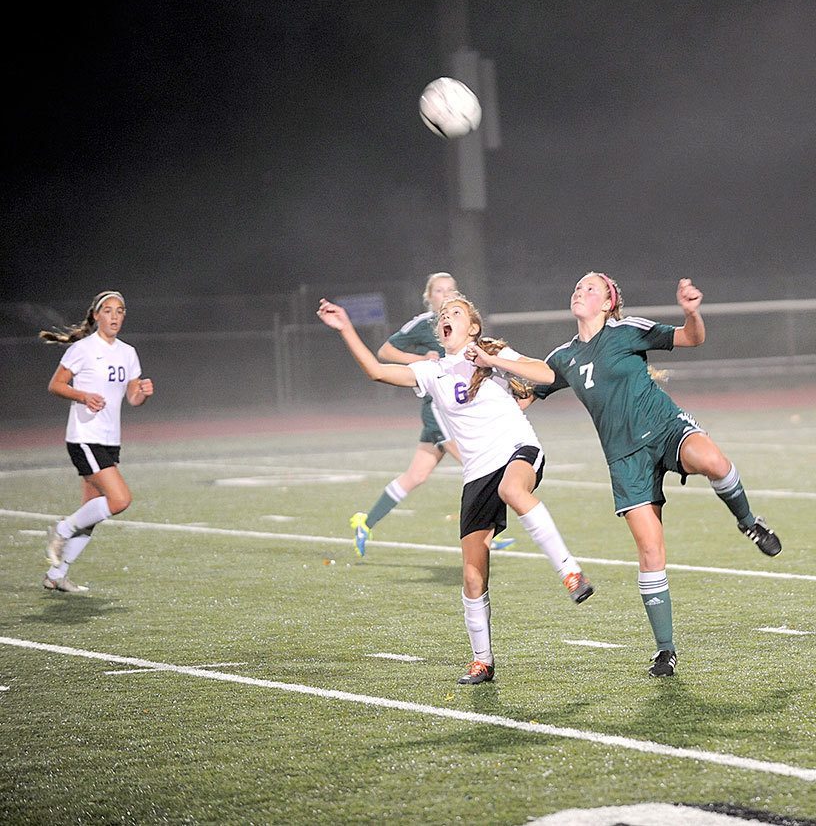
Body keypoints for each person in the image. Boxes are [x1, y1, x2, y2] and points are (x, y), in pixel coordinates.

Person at [467, 273, 780, 678]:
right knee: (651, 552)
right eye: (577, 287)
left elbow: (691, 338)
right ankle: (665, 651)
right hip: (624, 459)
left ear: (608, 302)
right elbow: (526, 394)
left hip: (665, 427)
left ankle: (748, 521)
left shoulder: (626, 331)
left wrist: (692, 312)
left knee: (715, 462)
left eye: (591, 288)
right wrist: (488, 372)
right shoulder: (564, 356)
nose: (581, 291)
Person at [318, 293, 594, 685]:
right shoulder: (433, 370)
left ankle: (570, 573)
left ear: (473, 326)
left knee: (514, 491)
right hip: (477, 472)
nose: (446, 317)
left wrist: (492, 360)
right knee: (471, 576)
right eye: (443, 314)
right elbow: (377, 371)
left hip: (517, 449)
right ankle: (483, 661)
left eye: (456, 313)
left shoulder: (489, 351)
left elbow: (544, 375)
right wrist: (346, 328)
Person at [40, 291, 154, 593]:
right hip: (84, 437)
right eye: (108, 311)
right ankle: (61, 529)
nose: (114, 316)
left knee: (91, 511)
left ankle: (57, 574)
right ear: (96, 316)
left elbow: (132, 398)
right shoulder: (83, 349)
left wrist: (142, 393)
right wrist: (83, 395)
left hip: (109, 439)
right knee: (120, 500)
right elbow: (56, 385)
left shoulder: (128, 353)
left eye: (120, 311)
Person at [348, 272, 469, 556]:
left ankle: (365, 522)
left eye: (450, 290)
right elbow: (385, 351)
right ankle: (483, 529)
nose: (446, 295)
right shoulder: (424, 324)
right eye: (439, 291)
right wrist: (421, 358)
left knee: (416, 475)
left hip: (451, 408)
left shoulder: (461, 321)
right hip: (437, 408)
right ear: (429, 297)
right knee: (475, 463)